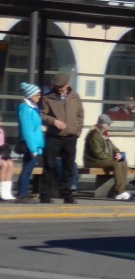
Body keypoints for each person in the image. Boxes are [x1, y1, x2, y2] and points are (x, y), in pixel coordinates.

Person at [39, 72, 85, 204]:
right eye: (57, 86)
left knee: (69, 167)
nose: (59, 88)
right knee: (49, 166)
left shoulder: (75, 97)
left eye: (61, 86)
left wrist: (77, 131)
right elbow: (42, 115)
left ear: (68, 84)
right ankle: (45, 195)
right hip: (54, 137)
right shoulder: (48, 97)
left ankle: (67, 194)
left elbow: (80, 116)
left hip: (70, 137)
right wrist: (54, 122)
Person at [83, 111, 132, 200]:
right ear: (102, 124)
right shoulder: (94, 134)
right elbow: (97, 152)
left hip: (104, 160)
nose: (109, 126)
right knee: (116, 164)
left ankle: (122, 190)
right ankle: (120, 191)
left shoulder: (104, 134)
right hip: (94, 161)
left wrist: (117, 153)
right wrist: (113, 158)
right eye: (108, 124)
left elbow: (113, 146)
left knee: (123, 163)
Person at [15, 82, 44, 203]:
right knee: (27, 170)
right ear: (30, 95)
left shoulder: (33, 108)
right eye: (37, 94)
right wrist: (33, 149)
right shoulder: (25, 109)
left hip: (35, 144)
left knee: (28, 169)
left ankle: (23, 193)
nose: (39, 96)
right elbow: (27, 130)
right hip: (30, 145)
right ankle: (22, 194)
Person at [0, 122, 12, 201]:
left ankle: (7, 190)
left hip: (1, 155)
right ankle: (1, 190)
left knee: (10, 164)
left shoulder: (1, 131)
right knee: (3, 164)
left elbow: (3, 146)